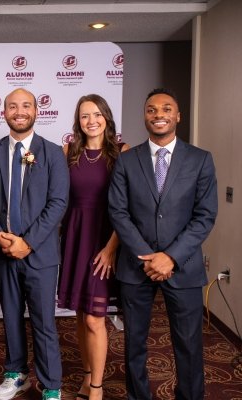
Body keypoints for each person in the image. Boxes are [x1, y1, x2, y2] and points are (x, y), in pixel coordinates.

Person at [108, 88, 218, 400]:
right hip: (136, 266)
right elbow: (118, 211)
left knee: (188, 343)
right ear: (144, 116)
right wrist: (147, 256)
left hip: (182, 267)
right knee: (134, 343)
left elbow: (205, 215)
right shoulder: (127, 161)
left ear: (178, 116)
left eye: (166, 109)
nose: (159, 115)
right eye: (152, 110)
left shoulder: (200, 160)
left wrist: (170, 257)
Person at [0, 88, 69, 400]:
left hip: (39, 254)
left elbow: (57, 203)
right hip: (2, 251)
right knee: (10, 316)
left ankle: (51, 385)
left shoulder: (52, 152)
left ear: (36, 111)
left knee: (43, 322)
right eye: (12, 106)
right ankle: (16, 374)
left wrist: (27, 242)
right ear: (4, 112)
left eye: (26, 105)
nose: (19, 111)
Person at [57, 94, 129, 400]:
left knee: (94, 317)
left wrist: (112, 246)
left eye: (97, 114)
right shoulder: (68, 152)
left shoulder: (121, 153)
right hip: (75, 236)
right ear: (78, 121)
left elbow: (128, 205)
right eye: (85, 115)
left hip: (106, 237)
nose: (92, 121)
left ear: (107, 118)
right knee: (80, 313)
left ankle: (97, 388)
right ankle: (87, 376)